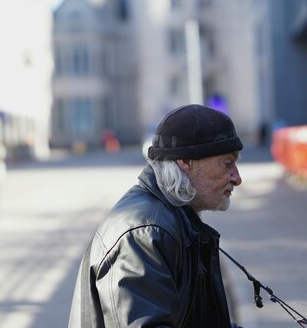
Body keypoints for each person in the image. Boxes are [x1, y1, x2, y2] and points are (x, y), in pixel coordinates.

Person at [68, 104, 244, 328]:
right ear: (185, 162)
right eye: (227, 164)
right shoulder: (145, 232)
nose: (237, 178)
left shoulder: (175, 219)